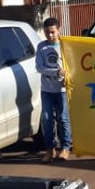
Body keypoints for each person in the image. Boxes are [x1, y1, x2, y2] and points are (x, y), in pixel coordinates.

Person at [35, 18, 72, 163]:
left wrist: (67, 75)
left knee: (63, 118)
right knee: (47, 119)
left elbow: (71, 65)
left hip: (62, 89)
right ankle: (50, 149)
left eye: (52, 32)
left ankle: (65, 148)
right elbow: (40, 68)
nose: (50, 35)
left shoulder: (65, 45)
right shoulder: (41, 47)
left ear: (59, 30)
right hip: (47, 90)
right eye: (47, 32)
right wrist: (56, 72)